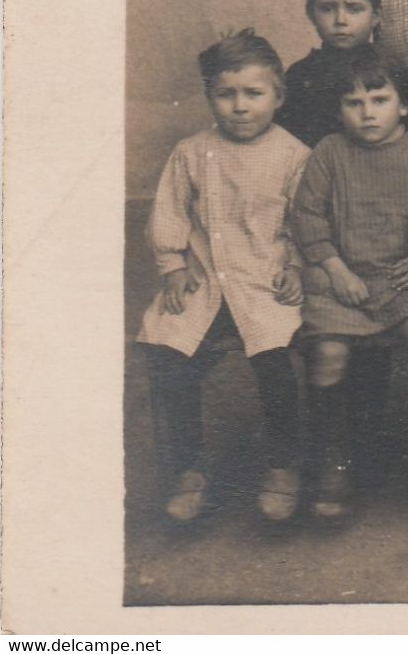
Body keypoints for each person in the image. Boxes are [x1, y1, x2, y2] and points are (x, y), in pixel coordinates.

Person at [138, 31, 308, 523]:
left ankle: (283, 465)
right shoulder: (191, 152)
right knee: (169, 353)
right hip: (206, 279)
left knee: (275, 361)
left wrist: (296, 265)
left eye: (253, 94)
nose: (239, 107)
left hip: (264, 280)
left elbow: (305, 220)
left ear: (278, 95)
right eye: (225, 94)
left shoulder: (293, 155)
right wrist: (172, 265)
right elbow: (168, 213)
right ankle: (189, 470)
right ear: (209, 95)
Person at [290, 47, 408, 514]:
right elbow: (306, 216)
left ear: (403, 104)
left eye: (379, 99)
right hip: (340, 282)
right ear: (339, 110)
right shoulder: (328, 152)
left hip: (401, 280)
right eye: (354, 103)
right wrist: (334, 268)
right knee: (329, 352)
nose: (367, 113)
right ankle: (334, 458)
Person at [277, 0, 382, 148]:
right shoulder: (300, 76)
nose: (340, 20)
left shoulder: (389, 71)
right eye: (327, 8)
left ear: (375, 15)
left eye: (354, 8)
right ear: (311, 13)